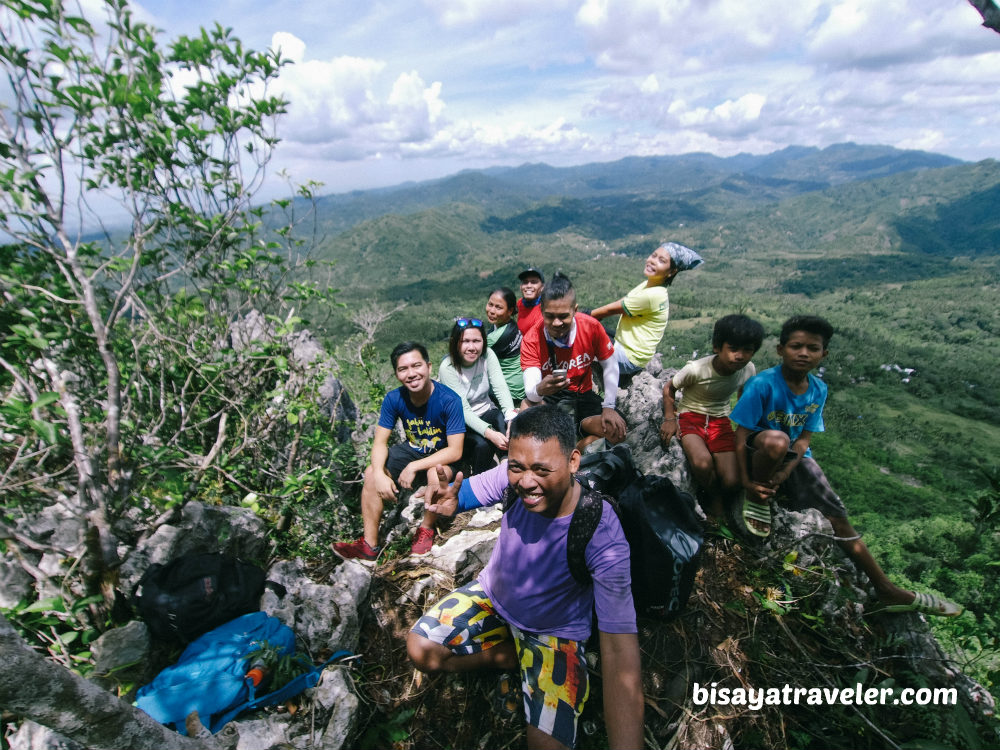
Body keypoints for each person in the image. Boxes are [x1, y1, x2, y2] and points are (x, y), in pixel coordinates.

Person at [406, 405, 644, 750]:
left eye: (541, 470)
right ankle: (511, 656)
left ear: (573, 461)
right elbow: (463, 494)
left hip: (555, 634)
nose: (526, 482)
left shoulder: (600, 531)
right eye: (516, 467)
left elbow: (621, 651)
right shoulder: (511, 477)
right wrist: (448, 503)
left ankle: (522, 656)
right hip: (493, 598)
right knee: (421, 650)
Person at [730, 316, 962, 617]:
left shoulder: (817, 389)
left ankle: (886, 589)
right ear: (780, 349)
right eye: (796, 346)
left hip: (793, 459)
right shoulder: (763, 383)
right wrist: (748, 481)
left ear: (823, 354)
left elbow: (804, 440)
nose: (803, 353)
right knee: (777, 440)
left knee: (839, 518)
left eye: (812, 348)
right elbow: (741, 433)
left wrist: (787, 472)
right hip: (759, 452)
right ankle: (756, 497)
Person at [332, 342, 464, 561]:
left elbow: (455, 450)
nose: (411, 374)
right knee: (371, 474)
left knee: (435, 473)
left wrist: (414, 466)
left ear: (429, 367)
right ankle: (369, 545)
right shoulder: (394, 399)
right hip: (412, 450)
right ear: (396, 374)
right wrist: (380, 474)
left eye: (417, 366)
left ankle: (427, 528)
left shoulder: (449, 400)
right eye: (403, 369)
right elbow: (379, 443)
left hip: (441, 455)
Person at [661, 314, 764, 520]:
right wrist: (670, 418)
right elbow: (668, 388)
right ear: (717, 347)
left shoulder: (748, 369)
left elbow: (744, 395)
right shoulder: (697, 370)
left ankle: (715, 491)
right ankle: (713, 498)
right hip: (690, 416)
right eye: (733, 349)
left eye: (748, 350)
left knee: (732, 480)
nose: (741, 356)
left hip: (720, 421)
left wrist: (744, 427)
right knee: (702, 463)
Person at [520, 273, 626, 447]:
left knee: (617, 430)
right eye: (549, 316)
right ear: (541, 312)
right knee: (526, 418)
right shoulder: (532, 339)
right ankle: (570, 444)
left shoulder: (591, 328)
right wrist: (540, 388)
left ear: (575, 310)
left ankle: (576, 447)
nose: (556, 323)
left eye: (563, 316)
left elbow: (610, 364)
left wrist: (609, 406)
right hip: (550, 400)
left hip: (583, 397)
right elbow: (531, 390)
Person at [591, 242, 704, 379]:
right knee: (595, 327)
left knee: (581, 329)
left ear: (672, 271)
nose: (653, 261)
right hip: (628, 349)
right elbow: (623, 301)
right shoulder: (651, 284)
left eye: (661, 261)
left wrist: (578, 317)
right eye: (654, 255)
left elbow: (606, 311)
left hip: (627, 359)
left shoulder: (653, 295)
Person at [438, 317, 519, 474]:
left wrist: (511, 416)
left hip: (486, 410)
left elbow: (500, 386)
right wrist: (490, 434)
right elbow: (464, 410)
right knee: (483, 444)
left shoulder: (487, 355)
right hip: (461, 422)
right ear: (455, 343)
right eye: (465, 341)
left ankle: (507, 465)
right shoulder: (448, 368)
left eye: (477, 341)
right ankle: (478, 479)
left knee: (505, 424)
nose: (471, 347)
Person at [485, 287, 526, 401]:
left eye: (498, 307)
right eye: (490, 304)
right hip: (521, 387)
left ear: (510, 311)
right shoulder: (511, 325)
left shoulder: (496, 337)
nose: (492, 311)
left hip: (510, 392)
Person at [516, 267, 545, 336]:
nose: (529, 286)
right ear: (521, 287)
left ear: (542, 287)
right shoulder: (520, 303)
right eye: (525, 282)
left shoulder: (545, 308)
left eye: (534, 282)